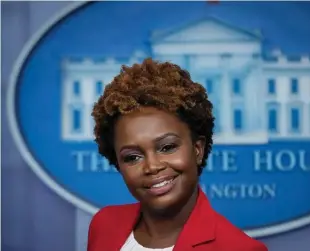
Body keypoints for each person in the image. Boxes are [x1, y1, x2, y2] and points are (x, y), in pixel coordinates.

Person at [87, 58, 268, 251]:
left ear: (197, 149)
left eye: (167, 147)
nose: (152, 166)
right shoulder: (105, 225)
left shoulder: (238, 249)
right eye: (132, 157)